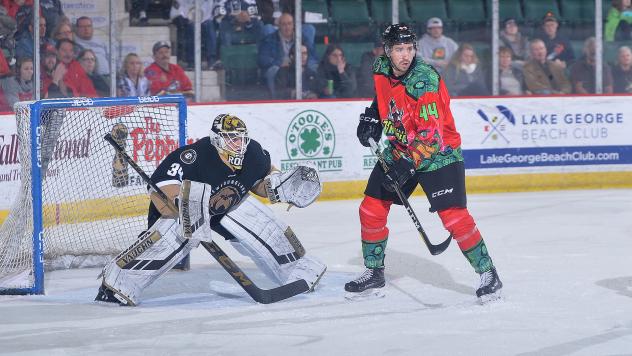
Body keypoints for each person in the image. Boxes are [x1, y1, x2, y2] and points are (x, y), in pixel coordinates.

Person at [95, 113, 327, 306]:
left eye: (241, 138)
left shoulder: (253, 153)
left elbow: (260, 179)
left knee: (259, 220)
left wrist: (277, 184)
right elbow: (161, 188)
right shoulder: (194, 156)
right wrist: (184, 207)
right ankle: (119, 282)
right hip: (180, 213)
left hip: (224, 209)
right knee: (174, 232)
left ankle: (296, 267)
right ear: (217, 139)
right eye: (231, 139)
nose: (238, 144)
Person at [349, 24, 502, 302]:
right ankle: (374, 273)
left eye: (409, 49)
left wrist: (407, 164)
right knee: (371, 209)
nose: (405, 55)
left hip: (439, 153)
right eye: (399, 49)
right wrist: (372, 115)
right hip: (400, 147)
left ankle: (488, 273)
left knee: (454, 217)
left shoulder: (424, 81)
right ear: (387, 51)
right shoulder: (381, 67)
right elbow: (384, 95)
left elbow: (431, 136)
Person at [257, 12, 317, 97]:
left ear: (293, 25)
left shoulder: (302, 37)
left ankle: (309, 96)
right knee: (272, 71)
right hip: (281, 67)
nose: (287, 27)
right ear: (279, 26)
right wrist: (279, 63)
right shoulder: (270, 39)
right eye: (284, 24)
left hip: (299, 65)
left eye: (289, 24)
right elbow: (262, 59)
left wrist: (304, 63)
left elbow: (313, 56)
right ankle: (275, 98)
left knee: (313, 67)